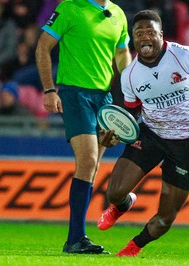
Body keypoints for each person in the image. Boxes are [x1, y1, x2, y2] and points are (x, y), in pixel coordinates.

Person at [96, 9, 189, 257]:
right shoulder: (130, 74)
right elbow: (131, 114)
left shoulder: (185, 56)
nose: (144, 38)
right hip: (152, 134)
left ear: (161, 35)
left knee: (164, 219)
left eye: (150, 32)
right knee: (114, 193)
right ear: (133, 38)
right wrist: (114, 133)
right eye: (138, 33)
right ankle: (123, 204)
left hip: (187, 143)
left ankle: (132, 248)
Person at [35, 0, 132, 254]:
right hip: (75, 93)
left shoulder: (118, 14)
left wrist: (132, 83)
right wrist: (48, 89)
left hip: (104, 96)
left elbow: (122, 53)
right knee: (88, 161)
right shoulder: (69, 8)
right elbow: (42, 47)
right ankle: (75, 238)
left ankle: (79, 237)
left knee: (93, 166)